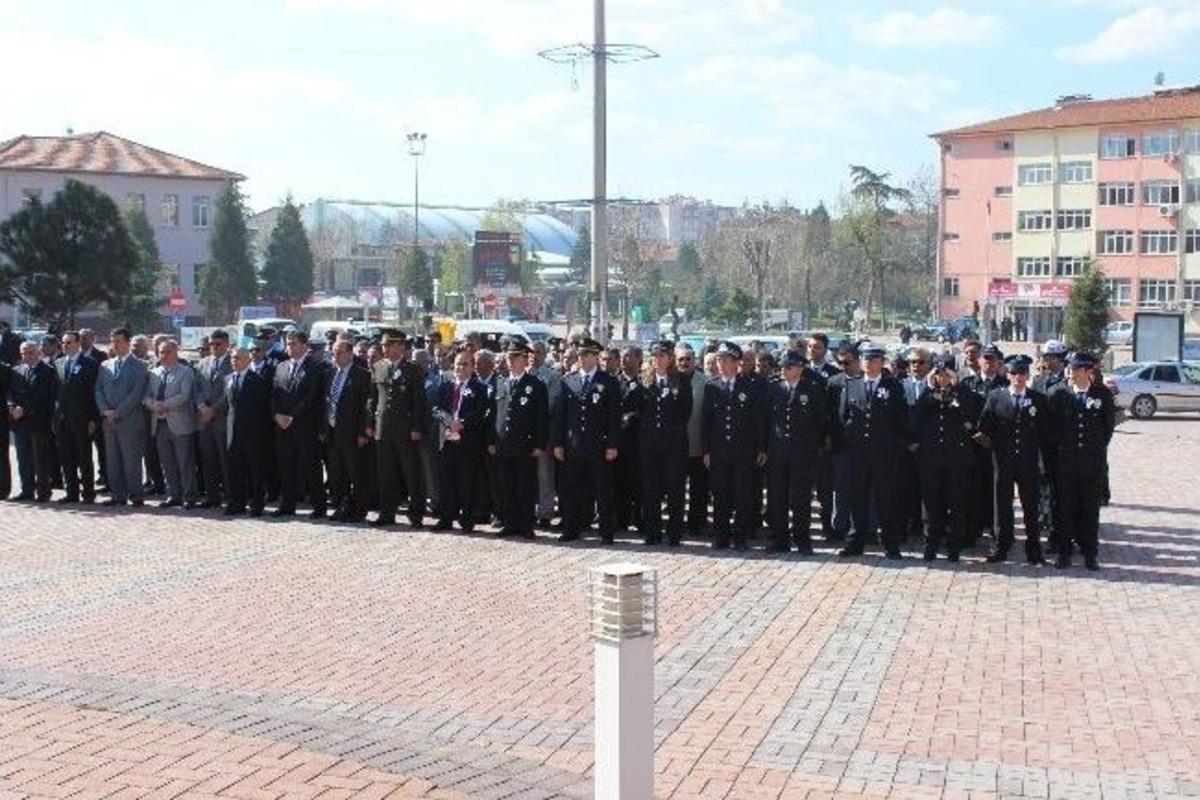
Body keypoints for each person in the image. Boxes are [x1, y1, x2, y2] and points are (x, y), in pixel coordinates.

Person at [834, 342, 908, 559]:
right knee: (857, 498)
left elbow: (900, 420)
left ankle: (890, 544)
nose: (869, 363)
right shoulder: (853, 384)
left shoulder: (892, 386)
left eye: (874, 359)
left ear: (881, 362)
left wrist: (894, 448)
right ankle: (855, 541)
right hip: (857, 454)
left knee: (886, 499)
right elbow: (843, 415)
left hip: (883, 454)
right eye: (866, 359)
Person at [976, 354, 1051, 564]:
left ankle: (1034, 550)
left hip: (1028, 461)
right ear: (1007, 375)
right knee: (1002, 505)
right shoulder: (996, 397)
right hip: (1003, 460)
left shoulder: (1038, 399)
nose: (1018, 377)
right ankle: (1001, 546)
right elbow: (984, 427)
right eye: (1014, 373)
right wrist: (995, 448)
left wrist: (1042, 460)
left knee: (1030, 505)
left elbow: (1046, 432)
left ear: (1028, 375)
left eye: (1022, 373)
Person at [1047, 352, 1114, 571]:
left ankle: (1090, 554)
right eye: (1070, 370)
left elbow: (1107, 429)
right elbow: (1052, 429)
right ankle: (1064, 553)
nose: (1071, 374)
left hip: (1091, 465)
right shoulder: (1059, 394)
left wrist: (1092, 452)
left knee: (1090, 511)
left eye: (1075, 370)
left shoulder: (1102, 395)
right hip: (1066, 464)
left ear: (1087, 371)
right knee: (1065, 509)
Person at [908, 354, 979, 561]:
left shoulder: (963, 393)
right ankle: (931, 545)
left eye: (946, 375)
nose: (942, 379)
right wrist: (931, 390)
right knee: (931, 504)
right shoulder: (927, 394)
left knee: (955, 503)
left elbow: (970, 419)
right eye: (938, 375)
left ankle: (954, 546)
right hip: (931, 458)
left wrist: (954, 393)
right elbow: (916, 420)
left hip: (956, 458)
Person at [553, 337, 620, 544]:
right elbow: (559, 415)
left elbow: (613, 416)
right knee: (571, 488)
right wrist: (558, 443)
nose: (581, 359)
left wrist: (612, 444)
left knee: (603, 489)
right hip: (574, 445)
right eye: (579, 355)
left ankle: (606, 532)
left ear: (595, 357)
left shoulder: (608, 381)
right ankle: (571, 529)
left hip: (598, 444)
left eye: (586, 355)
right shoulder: (568, 380)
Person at [701, 341, 767, 550]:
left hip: (743, 451)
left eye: (726, 360)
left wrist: (761, 447)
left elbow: (758, 420)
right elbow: (706, 421)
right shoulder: (711, 386)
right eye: (719, 360)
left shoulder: (749, 386)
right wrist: (706, 450)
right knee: (720, 496)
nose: (721, 364)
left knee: (742, 496)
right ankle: (721, 536)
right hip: (719, 450)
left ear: (737, 362)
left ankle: (739, 537)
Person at [765, 350, 828, 555]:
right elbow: (765, 420)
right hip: (778, 451)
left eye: (788, 367)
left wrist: (813, 445)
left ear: (800, 368)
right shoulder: (773, 387)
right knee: (777, 497)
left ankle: (802, 539)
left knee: (801, 498)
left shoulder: (812, 388)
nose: (784, 370)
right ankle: (779, 539)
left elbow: (820, 420)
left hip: (803, 452)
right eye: (782, 366)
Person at [370, 331, 427, 528]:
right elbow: (373, 400)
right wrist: (370, 424)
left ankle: (416, 513)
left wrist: (417, 427)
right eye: (384, 345)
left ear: (400, 346)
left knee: (411, 473)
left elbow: (419, 401)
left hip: (406, 429)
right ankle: (387, 512)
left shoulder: (412, 370)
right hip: (384, 428)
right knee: (386, 473)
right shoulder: (378, 367)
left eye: (388, 345)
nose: (384, 349)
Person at [491, 342, 548, 538]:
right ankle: (509, 523)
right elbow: (495, 415)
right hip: (504, 444)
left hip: (525, 445)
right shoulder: (501, 383)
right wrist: (492, 440)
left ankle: (526, 525)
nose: (511, 362)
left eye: (515, 358)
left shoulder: (535, 385)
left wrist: (540, 444)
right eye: (510, 358)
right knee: (506, 486)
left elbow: (542, 418)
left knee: (525, 487)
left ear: (523, 361)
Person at [638, 341, 692, 546]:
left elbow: (685, 411)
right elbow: (639, 410)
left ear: (670, 359)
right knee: (651, 490)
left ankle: (675, 533)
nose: (658, 360)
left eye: (662, 356)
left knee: (675, 490)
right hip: (650, 444)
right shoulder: (644, 381)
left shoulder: (681, 381)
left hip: (674, 444)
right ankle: (652, 533)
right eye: (655, 356)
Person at [271, 330, 327, 518]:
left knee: (311, 467)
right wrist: (277, 415)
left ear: (304, 346)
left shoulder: (315, 367)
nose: (289, 346)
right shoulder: (281, 367)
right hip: (283, 427)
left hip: (305, 426)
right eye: (288, 343)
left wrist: (292, 416)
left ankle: (319, 507)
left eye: (293, 343)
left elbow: (311, 397)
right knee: (286, 467)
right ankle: (288, 504)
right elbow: (274, 394)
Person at [94, 328, 150, 507]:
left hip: (130, 421)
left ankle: (136, 495)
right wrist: (105, 410)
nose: (114, 344)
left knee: (131, 461)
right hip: (109, 422)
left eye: (118, 341)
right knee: (113, 460)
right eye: (112, 341)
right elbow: (98, 390)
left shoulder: (140, 365)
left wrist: (118, 412)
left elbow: (137, 393)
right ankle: (118, 495)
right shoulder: (105, 365)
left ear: (127, 342)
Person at [961, 343, 1008, 546]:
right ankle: (972, 530)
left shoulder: (1006, 384)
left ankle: (997, 532)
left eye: (992, 359)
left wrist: (992, 437)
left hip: (995, 446)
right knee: (971, 489)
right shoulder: (967, 383)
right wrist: (974, 432)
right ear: (979, 361)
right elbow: (961, 412)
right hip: (972, 445)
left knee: (996, 490)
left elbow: (1008, 415)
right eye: (985, 358)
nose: (988, 362)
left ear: (998, 363)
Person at [142, 340, 197, 509]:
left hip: (180, 424)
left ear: (176, 352)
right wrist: (153, 404)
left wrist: (164, 404)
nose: (163, 356)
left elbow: (185, 395)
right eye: (160, 352)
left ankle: (189, 496)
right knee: (167, 463)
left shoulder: (185, 372)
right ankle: (174, 495)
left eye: (167, 352)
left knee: (185, 462)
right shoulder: (153, 373)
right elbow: (145, 397)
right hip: (159, 425)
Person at [322, 339, 371, 523]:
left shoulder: (362, 375)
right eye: (333, 352)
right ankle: (342, 506)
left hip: (352, 433)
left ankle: (359, 509)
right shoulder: (330, 373)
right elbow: (325, 403)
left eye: (339, 352)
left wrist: (362, 433)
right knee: (336, 472)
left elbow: (364, 407)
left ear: (350, 354)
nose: (335, 355)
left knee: (356, 473)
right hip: (333, 431)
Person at [223, 346, 271, 516]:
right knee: (234, 470)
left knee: (254, 471)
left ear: (247, 360)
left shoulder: (256, 380)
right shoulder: (228, 379)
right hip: (232, 432)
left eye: (238, 358)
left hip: (252, 434)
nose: (234, 361)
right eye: (232, 358)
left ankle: (256, 504)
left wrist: (261, 435)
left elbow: (263, 409)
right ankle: (236, 502)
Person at [53, 332, 99, 504]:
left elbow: (93, 393)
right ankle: (71, 493)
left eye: (69, 342)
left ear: (78, 343)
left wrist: (93, 419)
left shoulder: (90, 364)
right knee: (66, 458)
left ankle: (88, 493)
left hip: (82, 419)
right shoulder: (58, 364)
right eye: (63, 343)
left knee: (84, 458)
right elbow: (56, 393)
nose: (65, 346)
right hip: (62, 420)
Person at [8, 341, 57, 501]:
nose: (26, 356)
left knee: (40, 459)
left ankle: (43, 492)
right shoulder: (16, 371)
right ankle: (26, 490)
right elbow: (10, 393)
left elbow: (43, 396)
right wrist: (12, 407)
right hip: (20, 423)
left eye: (30, 352)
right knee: (23, 459)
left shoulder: (48, 371)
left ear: (38, 353)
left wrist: (24, 409)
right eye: (23, 353)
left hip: (38, 422)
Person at [194, 330, 232, 509]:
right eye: (211, 344)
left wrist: (214, 410)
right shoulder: (202, 363)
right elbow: (196, 389)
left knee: (226, 461)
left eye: (218, 344)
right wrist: (202, 407)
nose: (214, 348)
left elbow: (229, 392)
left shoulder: (232, 363)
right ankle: (212, 497)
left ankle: (231, 497)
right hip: (204, 420)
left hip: (222, 419)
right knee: (208, 460)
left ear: (226, 344)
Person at [676, 344, 709, 539]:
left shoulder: (705, 382)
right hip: (677, 447)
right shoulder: (671, 380)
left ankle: (696, 523)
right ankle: (677, 523)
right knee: (677, 488)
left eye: (688, 359)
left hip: (698, 444)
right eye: (681, 359)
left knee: (699, 489)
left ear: (694, 360)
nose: (684, 363)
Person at [531, 341, 563, 528]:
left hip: (544, 433)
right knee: (527, 476)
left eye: (537, 352)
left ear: (544, 355)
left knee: (545, 476)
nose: (533, 356)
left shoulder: (552, 376)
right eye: (531, 352)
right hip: (524, 435)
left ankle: (545, 513)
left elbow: (551, 404)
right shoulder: (525, 374)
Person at [614, 346, 644, 533]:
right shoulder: (613, 381)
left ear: (639, 359)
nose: (625, 360)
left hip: (638, 440)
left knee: (639, 483)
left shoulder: (645, 381)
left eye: (629, 356)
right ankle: (621, 519)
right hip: (618, 441)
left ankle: (639, 518)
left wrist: (631, 417)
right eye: (623, 356)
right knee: (619, 482)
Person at [0, 358, 11, 499]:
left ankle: (3, 489)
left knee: (1, 456)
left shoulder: (4, 368)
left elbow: (8, 393)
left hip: (0, 420)